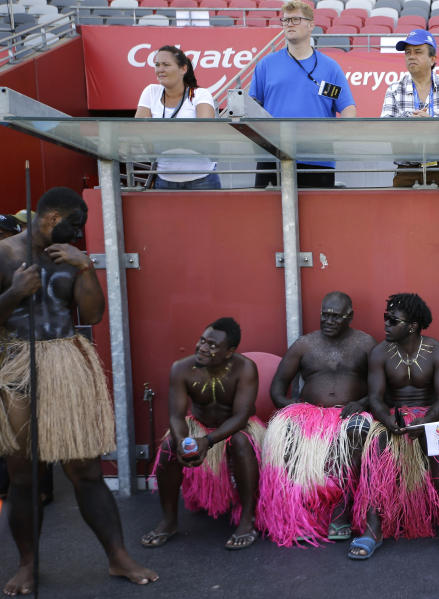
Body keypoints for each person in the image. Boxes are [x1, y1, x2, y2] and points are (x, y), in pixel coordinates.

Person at [0, 187, 157, 594]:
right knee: (23, 476)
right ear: (52, 218)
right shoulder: (4, 254)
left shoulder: (70, 258)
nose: (78, 234)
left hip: (66, 364)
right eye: (75, 226)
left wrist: (85, 267)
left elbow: (93, 315)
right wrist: (15, 292)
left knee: (86, 470)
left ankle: (118, 558)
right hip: (17, 365)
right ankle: (27, 566)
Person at [349, 293, 439, 559]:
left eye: (393, 320)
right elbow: (376, 398)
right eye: (386, 317)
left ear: (413, 326)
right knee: (376, 449)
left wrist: (425, 422)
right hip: (392, 417)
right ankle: (373, 529)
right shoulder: (379, 353)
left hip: (432, 416)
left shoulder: (437, 351)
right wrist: (389, 421)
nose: (386, 324)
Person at [258, 291, 375, 546]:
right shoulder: (304, 344)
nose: (328, 321)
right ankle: (300, 516)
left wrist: (362, 403)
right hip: (309, 413)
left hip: (350, 413)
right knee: (285, 432)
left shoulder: (365, 343)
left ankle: (340, 512)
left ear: (350, 317)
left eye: (336, 316)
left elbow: (380, 389)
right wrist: (293, 408)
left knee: (357, 431)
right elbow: (278, 389)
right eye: (325, 315)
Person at [141, 318, 263, 550]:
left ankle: (248, 520)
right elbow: (176, 416)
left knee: (241, 442)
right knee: (168, 447)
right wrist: (183, 442)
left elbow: (241, 416)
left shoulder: (245, 368)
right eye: (202, 341)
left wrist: (207, 442)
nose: (203, 348)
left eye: (213, 346)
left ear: (229, 352)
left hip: (235, 427)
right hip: (198, 425)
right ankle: (168, 521)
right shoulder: (181, 368)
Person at [250, 0, 357, 188]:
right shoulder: (266, 65)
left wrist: (339, 135)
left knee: (318, 216)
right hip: (273, 157)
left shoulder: (330, 67)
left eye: (296, 19)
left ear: (311, 25)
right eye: (286, 20)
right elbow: (251, 106)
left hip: (317, 159)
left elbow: (348, 108)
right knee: (267, 216)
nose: (289, 23)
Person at [380, 29, 439, 188]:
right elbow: (385, 129)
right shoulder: (394, 89)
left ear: (432, 59)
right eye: (407, 52)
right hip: (406, 171)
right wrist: (412, 125)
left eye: (418, 52)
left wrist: (431, 124)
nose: (411, 56)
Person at [135, 45, 220, 190]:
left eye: (166, 65)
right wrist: (185, 133)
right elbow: (137, 130)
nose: (160, 69)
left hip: (202, 180)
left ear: (183, 69)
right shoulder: (151, 92)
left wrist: (158, 134)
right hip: (164, 179)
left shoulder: (199, 94)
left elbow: (205, 132)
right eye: (157, 65)